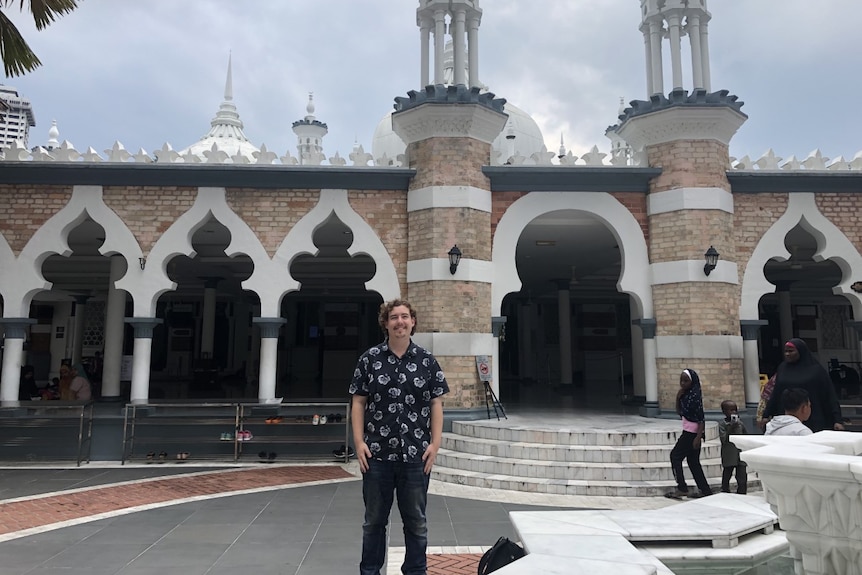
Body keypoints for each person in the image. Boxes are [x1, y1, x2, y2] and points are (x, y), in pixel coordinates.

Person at [349, 299, 449, 575]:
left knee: (416, 521)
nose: (400, 322)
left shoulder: (427, 361)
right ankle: (370, 571)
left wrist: (436, 443)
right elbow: (358, 402)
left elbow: (436, 403)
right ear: (386, 323)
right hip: (377, 456)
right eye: (394, 317)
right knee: (373, 522)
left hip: (416, 456)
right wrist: (358, 443)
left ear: (413, 322)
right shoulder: (369, 359)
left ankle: (415, 571)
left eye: (405, 316)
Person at [763, 339, 843, 433]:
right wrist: (766, 414)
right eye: (786, 351)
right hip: (786, 422)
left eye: (791, 351)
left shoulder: (816, 370)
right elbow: (776, 393)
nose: (787, 354)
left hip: (813, 419)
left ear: (801, 351)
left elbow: (829, 395)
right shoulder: (783, 369)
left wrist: (837, 420)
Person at [666, 368, 713, 499]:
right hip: (688, 430)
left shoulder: (695, 396)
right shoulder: (685, 395)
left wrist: (698, 437)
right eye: (681, 381)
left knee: (675, 456)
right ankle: (705, 490)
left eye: (686, 381)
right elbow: (679, 412)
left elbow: (701, 418)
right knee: (693, 461)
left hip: (691, 433)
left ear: (692, 381)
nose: (683, 383)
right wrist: (678, 397)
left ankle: (682, 488)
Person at [718, 400, 748, 494]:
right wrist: (730, 427)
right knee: (727, 473)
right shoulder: (722, 424)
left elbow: (745, 435)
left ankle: (742, 492)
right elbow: (724, 439)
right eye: (730, 410)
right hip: (729, 453)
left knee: (742, 475)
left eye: (735, 410)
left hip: (740, 453)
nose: (733, 412)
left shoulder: (740, 423)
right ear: (724, 411)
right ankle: (725, 490)